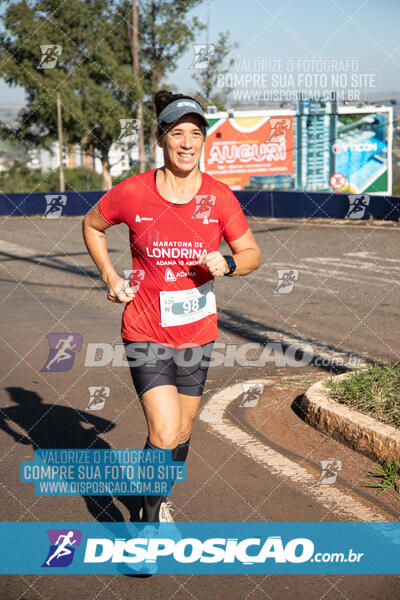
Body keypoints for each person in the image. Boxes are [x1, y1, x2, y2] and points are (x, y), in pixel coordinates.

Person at [82, 90, 261, 525]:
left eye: (195, 134)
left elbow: (252, 252)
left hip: (197, 333)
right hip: (144, 328)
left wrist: (230, 262)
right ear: (161, 139)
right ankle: (146, 526)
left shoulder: (218, 197)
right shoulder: (134, 192)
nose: (186, 143)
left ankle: (157, 498)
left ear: (204, 141)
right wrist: (110, 276)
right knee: (162, 431)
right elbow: (92, 224)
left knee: (179, 433)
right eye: (177, 133)